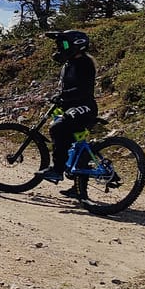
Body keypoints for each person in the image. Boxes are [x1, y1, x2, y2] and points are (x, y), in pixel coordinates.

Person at [36, 29, 98, 194]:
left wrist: (63, 96)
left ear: (76, 45)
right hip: (72, 106)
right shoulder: (70, 63)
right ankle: (78, 187)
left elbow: (83, 90)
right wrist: (61, 98)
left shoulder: (84, 63)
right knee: (76, 145)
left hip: (85, 107)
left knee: (58, 129)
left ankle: (57, 170)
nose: (59, 48)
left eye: (63, 44)